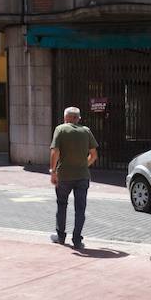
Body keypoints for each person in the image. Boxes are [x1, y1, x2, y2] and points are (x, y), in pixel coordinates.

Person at [50, 106, 99, 250]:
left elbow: (55, 152)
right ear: (78, 118)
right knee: (80, 209)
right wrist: (85, 164)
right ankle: (77, 240)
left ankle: (60, 236)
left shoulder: (60, 129)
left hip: (64, 175)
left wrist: (53, 171)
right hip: (82, 175)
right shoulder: (86, 131)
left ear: (66, 118)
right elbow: (94, 155)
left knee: (62, 205)